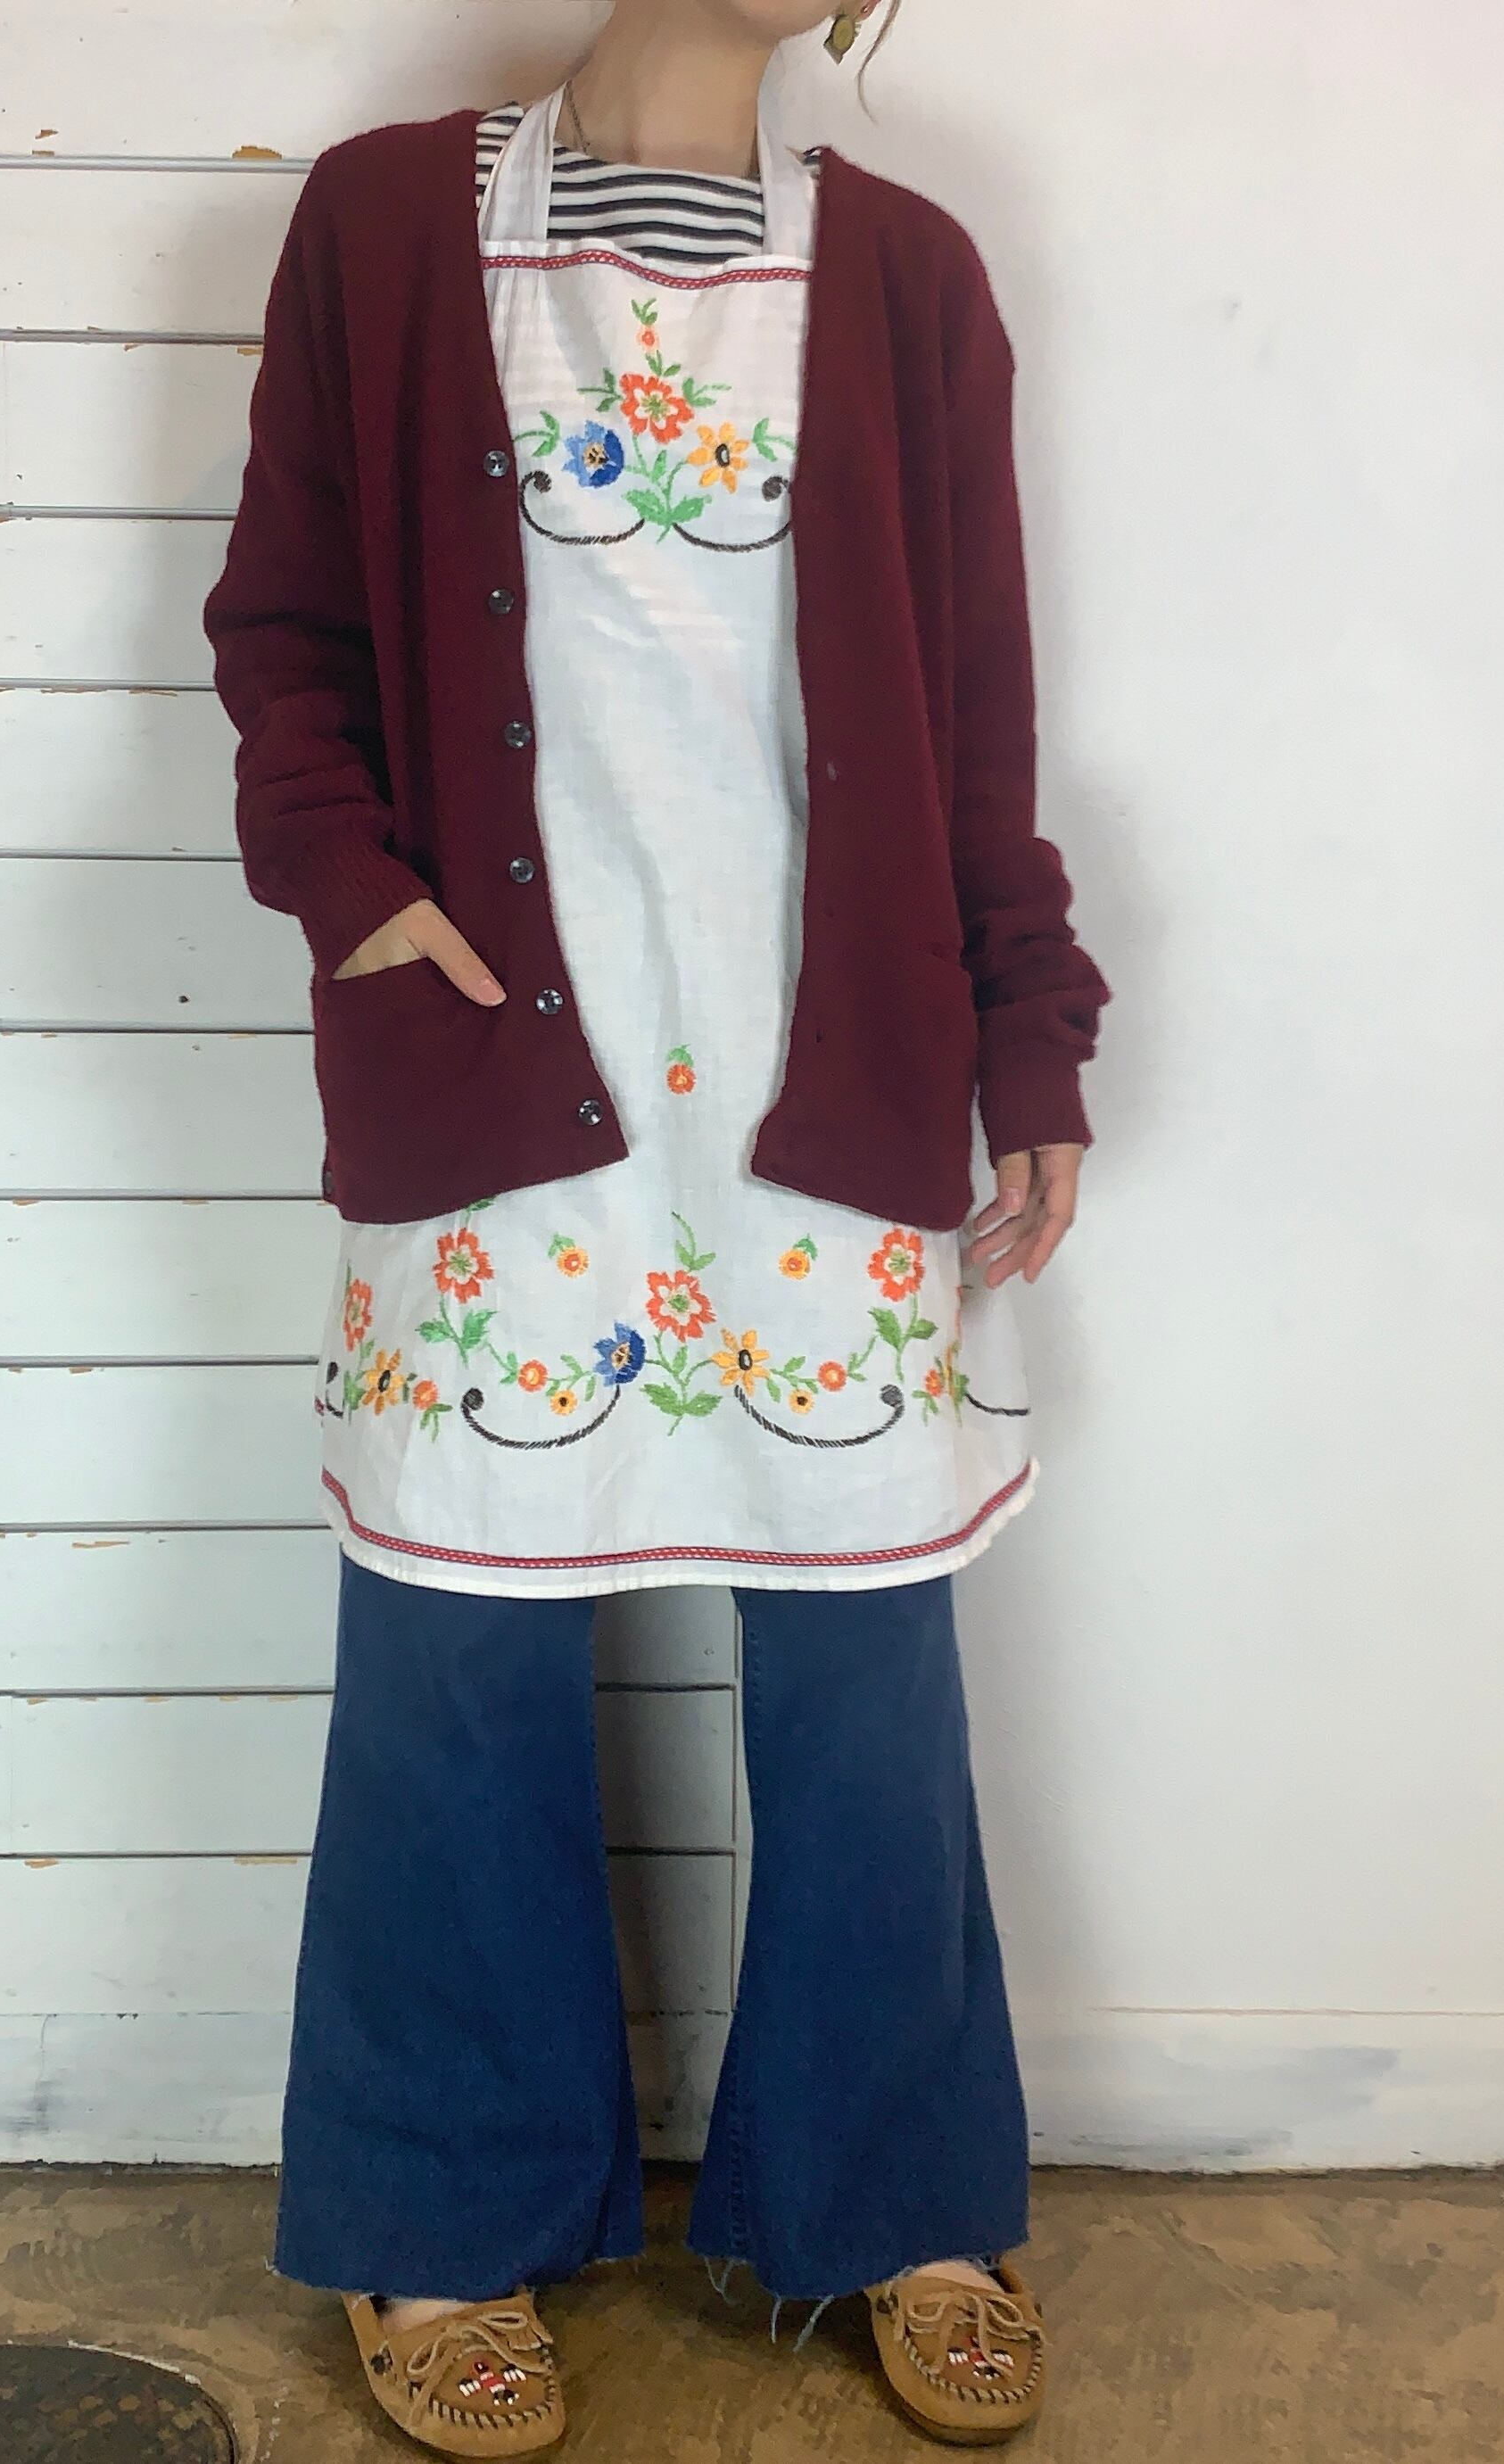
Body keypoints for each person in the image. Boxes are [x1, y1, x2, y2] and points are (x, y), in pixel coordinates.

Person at [202, 0, 1109, 2448]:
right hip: (501, 1059)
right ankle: (438, 2206)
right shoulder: (385, 227)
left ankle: (898, 2193)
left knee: (863, 1655)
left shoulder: (906, 274)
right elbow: (286, 623)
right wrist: (354, 893)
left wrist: (1027, 1026)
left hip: (832, 1072)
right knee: (456, 1646)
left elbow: (977, 707)